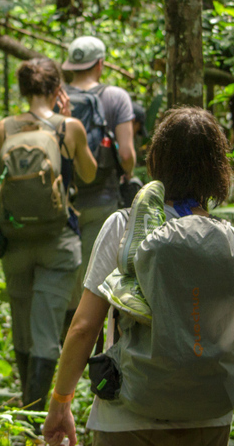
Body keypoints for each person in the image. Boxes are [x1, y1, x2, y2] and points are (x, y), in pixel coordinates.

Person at [42, 107, 234, 446]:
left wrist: (60, 403)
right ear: (219, 170)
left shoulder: (123, 227)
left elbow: (85, 327)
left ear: (155, 159)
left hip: (126, 418)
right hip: (209, 419)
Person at [0, 58, 97, 431]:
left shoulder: (4, 128)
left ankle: (26, 414)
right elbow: (89, 174)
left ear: (23, 89)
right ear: (56, 88)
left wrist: (10, 212)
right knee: (47, 331)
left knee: (23, 329)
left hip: (15, 243)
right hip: (57, 243)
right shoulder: (69, 127)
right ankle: (34, 423)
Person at [58, 36, 136, 330]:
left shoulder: (57, 98)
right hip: (103, 201)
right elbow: (126, 154)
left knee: (69, 282)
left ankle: (67, 348)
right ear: (100, 64)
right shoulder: (116, 97)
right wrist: (127, 171)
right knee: (100, 281)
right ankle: (102, 354)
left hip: (63, 202)